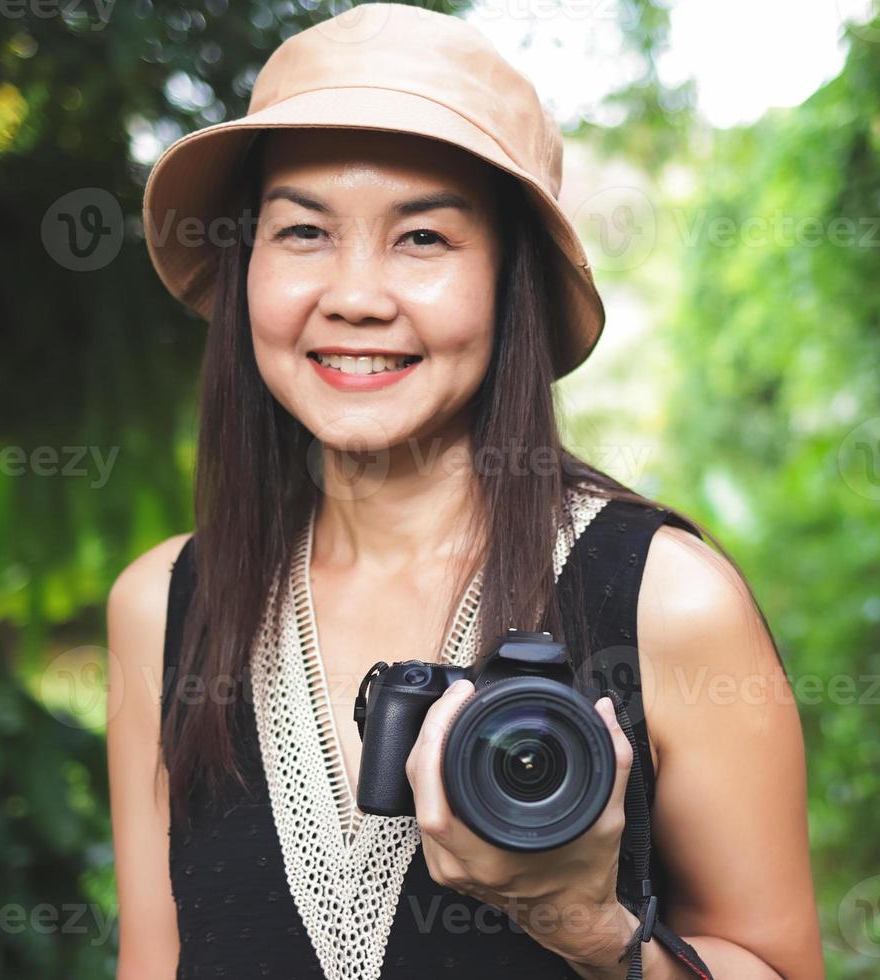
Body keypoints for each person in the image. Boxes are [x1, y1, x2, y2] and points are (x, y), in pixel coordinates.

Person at [106, 5, 823, 979]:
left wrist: (589, 926)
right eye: (305, 229)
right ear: (246, 268)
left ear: (507, 279)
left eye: (424, 238)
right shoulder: (163, 606)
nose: (356, 293)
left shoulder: (664, 601)